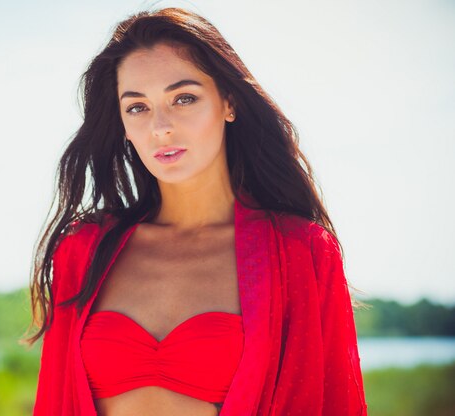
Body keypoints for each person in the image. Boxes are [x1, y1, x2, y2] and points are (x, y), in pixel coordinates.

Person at [24, 7, 367, 416]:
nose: (161, 126)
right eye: (137, 107)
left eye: (183, 98)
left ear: (229, 103)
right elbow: (55, 403)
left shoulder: (299, 251)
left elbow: (329, 404)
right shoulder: (83, 250)